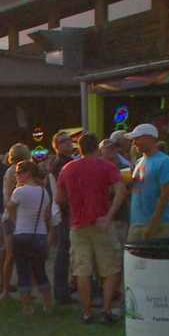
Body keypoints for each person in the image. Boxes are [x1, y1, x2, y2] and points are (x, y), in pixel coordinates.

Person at [56, 133, 127, 324]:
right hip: (101, 223)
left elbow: (59, 198)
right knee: (111, 268)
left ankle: (87, 312)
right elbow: (121, 190)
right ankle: (106, 310)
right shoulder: (107, 166)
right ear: (97, 147)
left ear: (79, 148)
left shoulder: (67, 168)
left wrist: (73, 204)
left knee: (82, 270)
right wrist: (109, 215)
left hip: (78, 225)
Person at [6, 161, 54, 315]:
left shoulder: (19, 192)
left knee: (23, 271)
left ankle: (27, 307)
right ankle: (48, 304)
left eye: (19, 172)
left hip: (21, 233)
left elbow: (10, 208)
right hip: (39, 234)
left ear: (27, 173)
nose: (16, 175)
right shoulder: (43, 192)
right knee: (40, 271)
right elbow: (46, 215)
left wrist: (16, 221)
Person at [126, 124, 169, 241]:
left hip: (159, 226)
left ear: (150, 138)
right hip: (136, 224)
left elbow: (166, 195)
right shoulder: (139, 162)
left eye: (137, 138)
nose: (134, 143)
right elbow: (137, 189)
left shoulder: (165, 161)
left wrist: (152, 225)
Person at [0, 143, 30, 299]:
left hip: (15, 216)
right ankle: (6, 289)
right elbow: (9, 199)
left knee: (14, 255)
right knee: (11, 255)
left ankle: (12, 288)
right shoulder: (13, 172)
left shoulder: (14, 171)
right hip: (13, 217)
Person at [50, 131, 76, 305]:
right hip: (66, 211)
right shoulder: (61, 163)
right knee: (63, 252)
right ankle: (61, 292)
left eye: (69, 140)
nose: (69, 143)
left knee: (67, 251)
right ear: (58, 146)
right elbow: (65, 191)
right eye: (64, 141)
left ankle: (66, 288)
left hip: (67, 211)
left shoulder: (68, 161)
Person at [99, 138, 132, 246]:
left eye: (113, 148)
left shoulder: (124, 167)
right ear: (101, 151)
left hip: (121, 215)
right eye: (107, 148)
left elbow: (128, 190)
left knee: (121, 247)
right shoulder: (96, 168)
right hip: (101, 215)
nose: (111, 150)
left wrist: (114, 189)